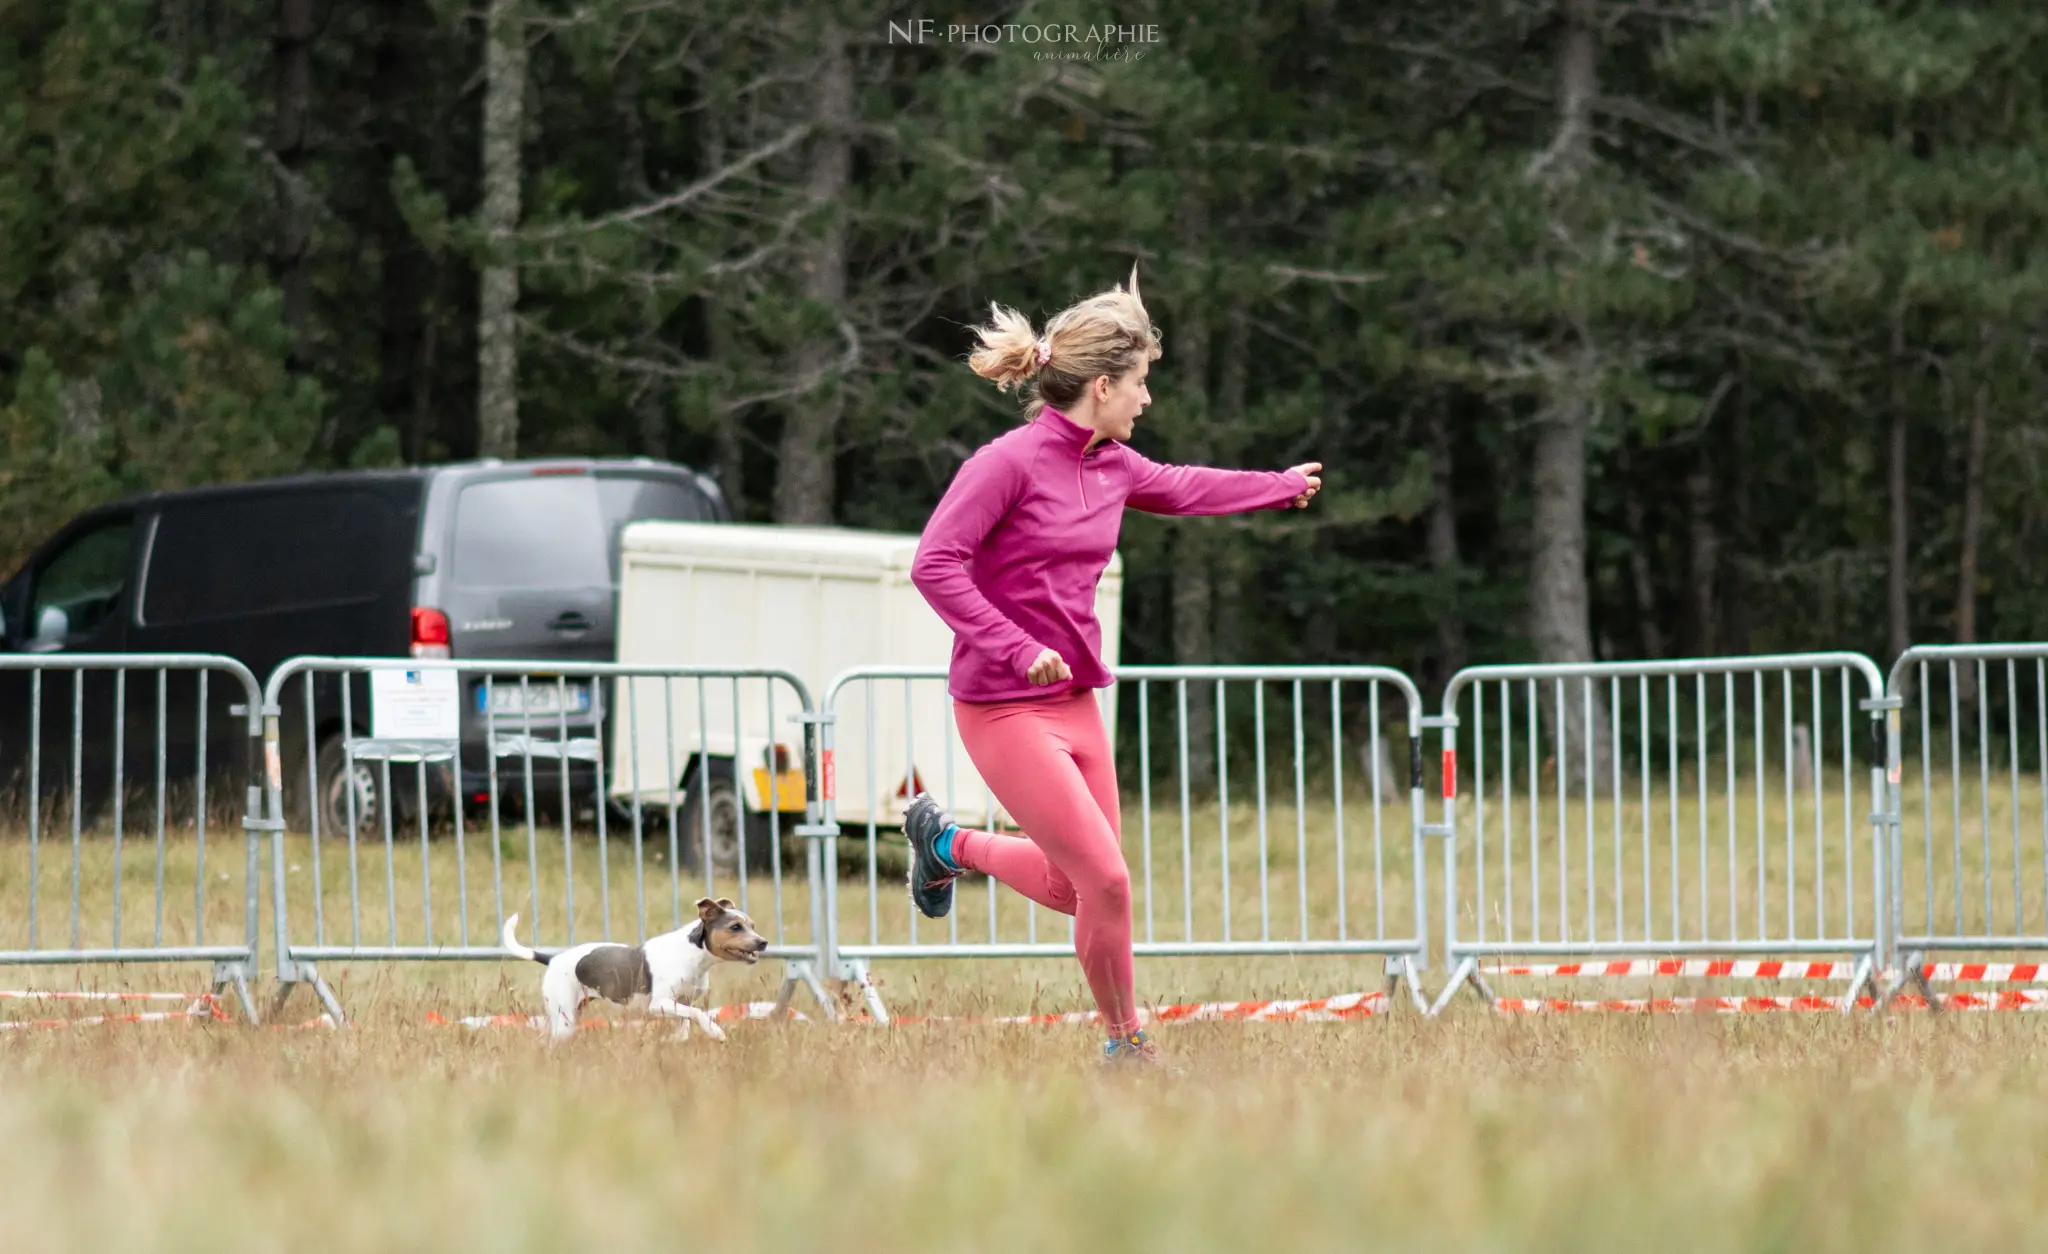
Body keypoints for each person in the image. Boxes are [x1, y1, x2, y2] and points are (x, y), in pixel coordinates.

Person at [904, 268, 1322, 1064]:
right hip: (1000, 703)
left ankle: (948, 846)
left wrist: (1276, 487)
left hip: (1075, 702)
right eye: (1139, 384)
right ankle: (1126, 1046)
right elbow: (935, 563)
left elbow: (1186, 486)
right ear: (1101, 385)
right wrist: (1016, 646)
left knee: (1075, 887)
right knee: (1110, 884)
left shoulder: (1116, 467)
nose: (1147, 400)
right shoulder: (1007, 463)